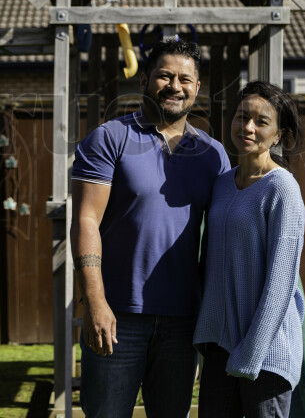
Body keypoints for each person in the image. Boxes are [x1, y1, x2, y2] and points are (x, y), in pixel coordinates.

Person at [70, 38, 230, 418]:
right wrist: (94, 302)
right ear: (144, 81)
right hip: (116, 316)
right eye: (164, 76)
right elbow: (86, 219)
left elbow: (228, 232)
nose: (175, 86)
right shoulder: (110, 138)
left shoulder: (213, 154)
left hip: (183, 321)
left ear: (197, 89)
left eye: (186, 79)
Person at [194, 80, 305, 418]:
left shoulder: (282, 188)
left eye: (261, 121)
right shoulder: (222, 183)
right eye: (242, 116)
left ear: (278, 135)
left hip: (266, 357)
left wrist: (252, 353)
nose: (248, 127)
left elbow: (281, 284)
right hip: (219, 350)